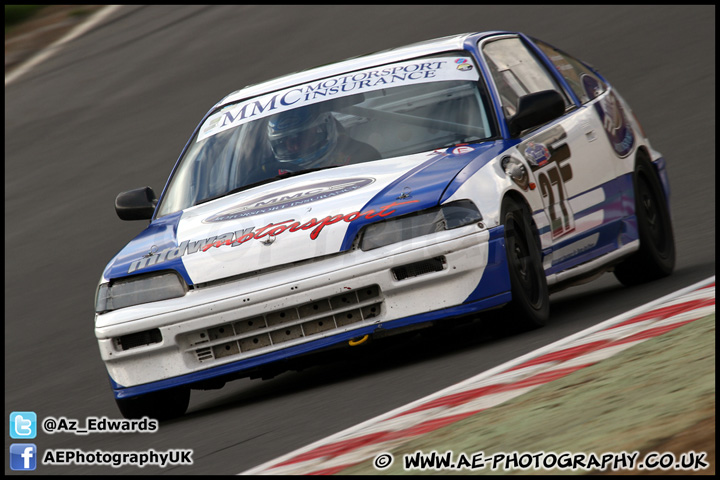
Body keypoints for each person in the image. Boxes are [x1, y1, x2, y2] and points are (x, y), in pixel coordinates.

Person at [266, 104, 379, 173]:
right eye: (285, 141)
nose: (295, 146)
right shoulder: (269, 172)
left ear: (319, 130)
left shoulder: (360, 155)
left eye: (301, 137)